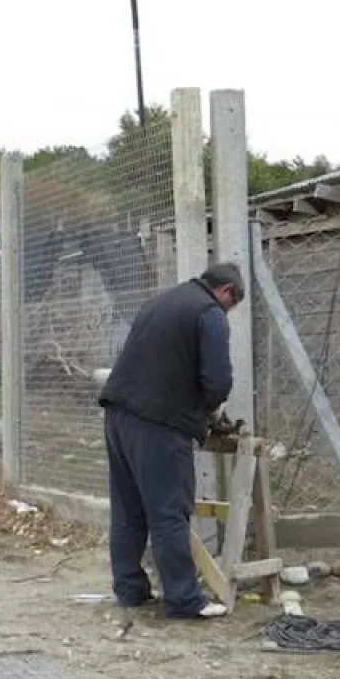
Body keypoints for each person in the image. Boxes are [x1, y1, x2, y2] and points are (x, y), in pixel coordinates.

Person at [98, 262, 244, 620]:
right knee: (168, 512)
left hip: (118, 415)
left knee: (129, 510)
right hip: (158, 424)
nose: (227, 312)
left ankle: (130, 590)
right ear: (226, 292)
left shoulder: (160, 302)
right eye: (231, 306)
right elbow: (218, 381)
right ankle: (183, 600)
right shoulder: (209, 311)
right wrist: (207, 413)